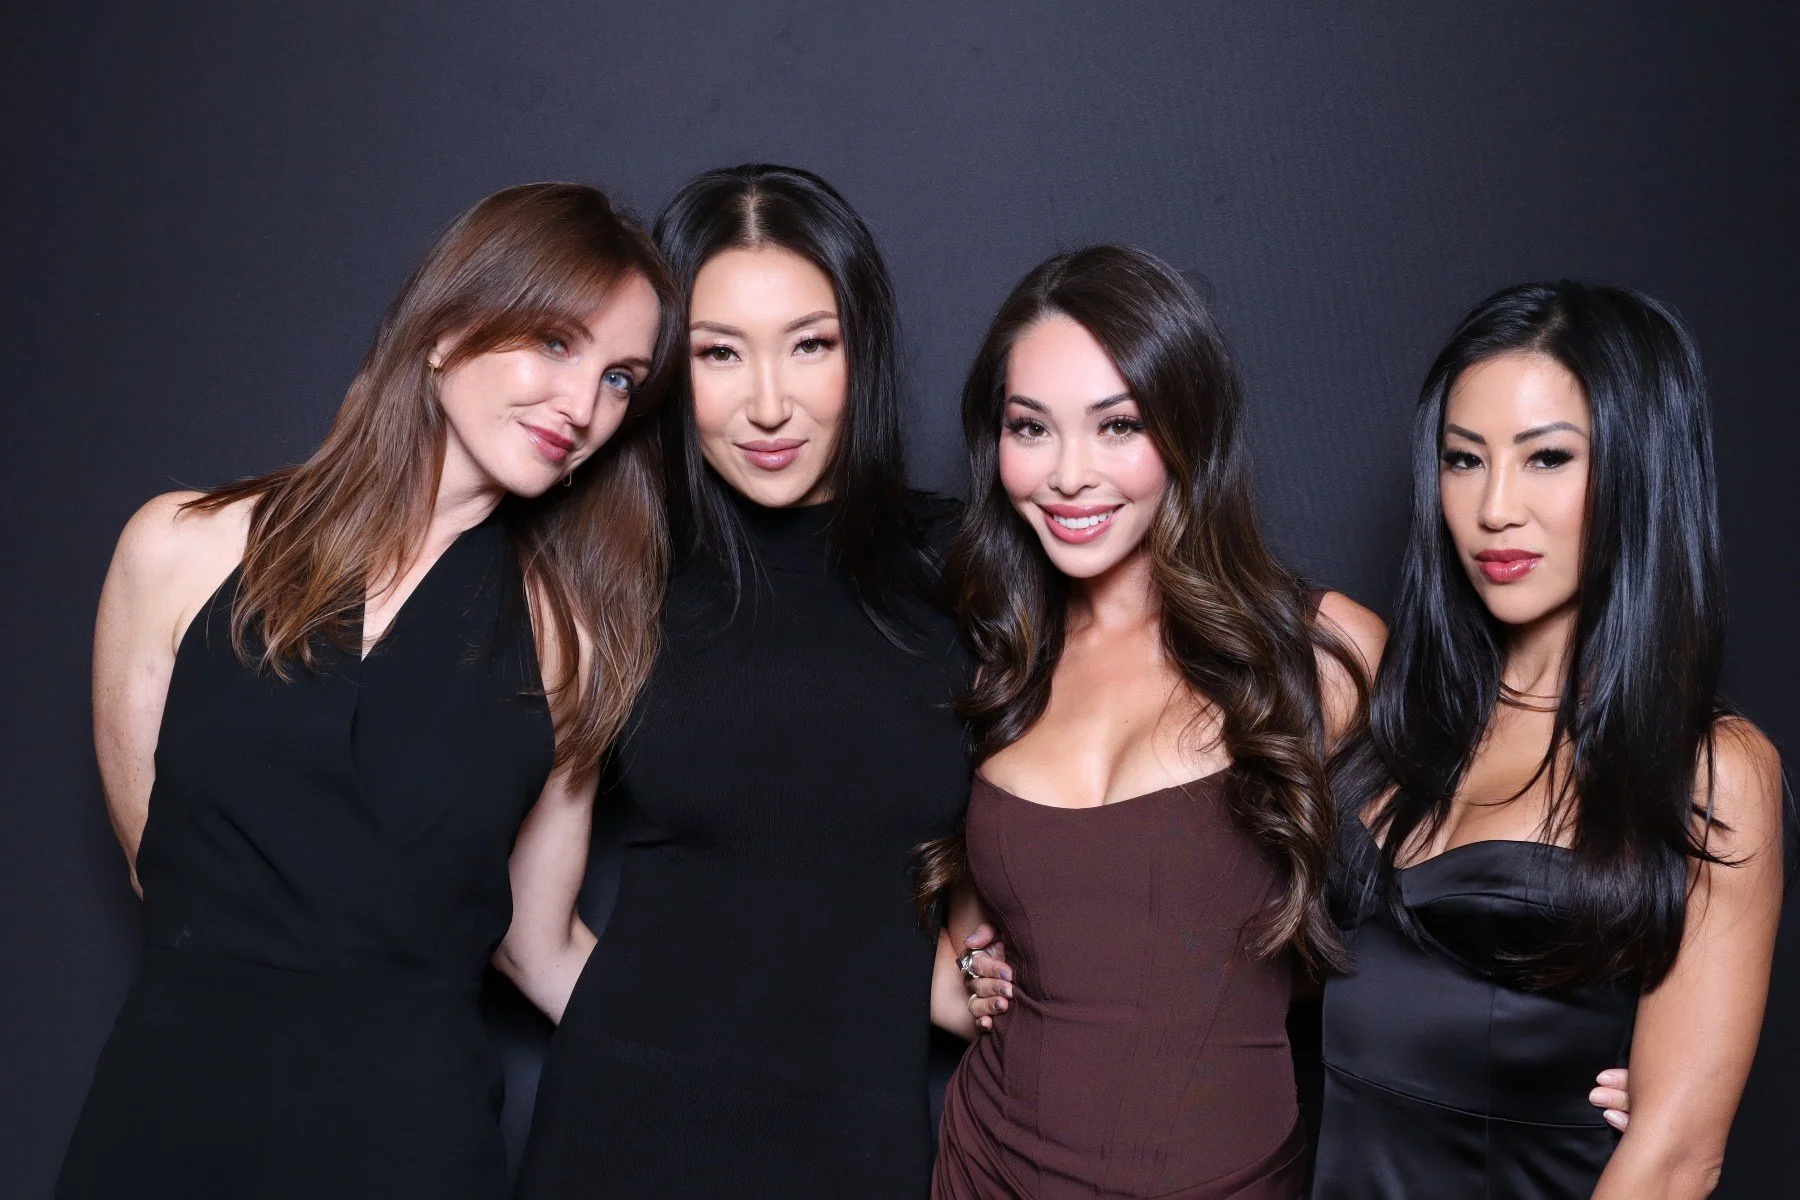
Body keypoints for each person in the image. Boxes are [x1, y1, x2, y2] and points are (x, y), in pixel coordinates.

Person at [58, 183, 675, 1200]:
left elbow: (539, 944)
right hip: (165, 1114)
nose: (584, 405)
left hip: (408, 1139)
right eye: (557, 344)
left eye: (620, 378)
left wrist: (753, 1062)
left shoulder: (568, 641)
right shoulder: (176, 548)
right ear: (446, 330)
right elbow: (155, 867)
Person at [503, 164, 972, 1199]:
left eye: (811, 345)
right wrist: (671, 1052)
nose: (768, 406)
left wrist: (964, 978)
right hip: (623, 1131)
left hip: (862, 1139)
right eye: (720, 354)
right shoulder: (614, 568)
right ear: (673, 370)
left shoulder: (967, 565)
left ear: (867, 348)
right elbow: (527, 939)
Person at [922, 244, 1384, 1199]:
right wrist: (960, 970)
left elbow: (1452, 895)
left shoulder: (1322, 652)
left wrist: (1573, 1060)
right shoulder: (993, 653)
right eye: (1030, 428)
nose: (1068, 474)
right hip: (986, 1167)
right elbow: (972, 914)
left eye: (1117, 424)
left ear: (1187, 429)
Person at [1312, 282, 1785, 1199]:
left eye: (1548, 459)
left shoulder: (1713, 770)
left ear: (1639, 470)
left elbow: (1677, 1157)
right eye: (1462, 460)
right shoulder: (1401, 716)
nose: (1494, 509)